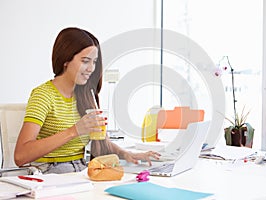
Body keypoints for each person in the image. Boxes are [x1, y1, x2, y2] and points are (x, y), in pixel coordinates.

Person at [14, 27, 160, 174]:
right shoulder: (43, 95)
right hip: (52, 172)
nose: (91, 68)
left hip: (82, 168)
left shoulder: (85, 95)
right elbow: (20, 156)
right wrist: (74, 131)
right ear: (66, 60)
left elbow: (102, 139)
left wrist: (127, 154)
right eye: (85, 61)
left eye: (94, 62)